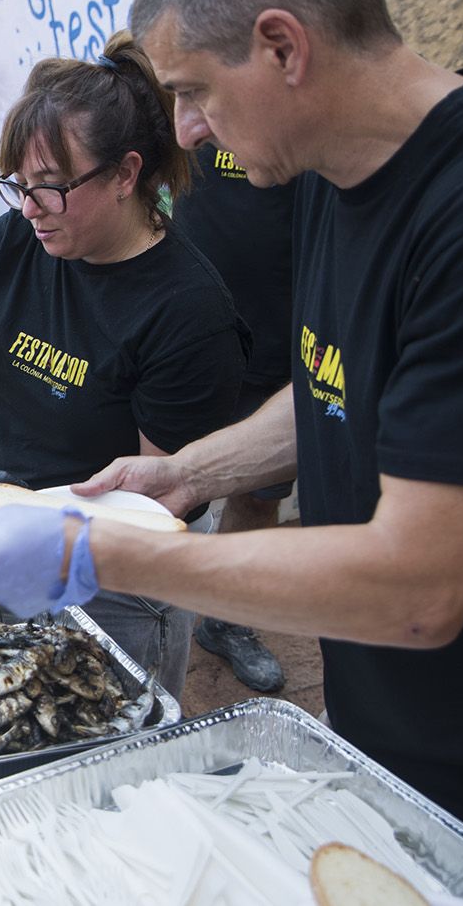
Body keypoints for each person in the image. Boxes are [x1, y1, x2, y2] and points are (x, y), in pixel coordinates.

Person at [0, 0, 463, 881]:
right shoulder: (325, 177)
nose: (185, 130)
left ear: (281, 46)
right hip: (384, 743)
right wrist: (183, 475)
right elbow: (331, 392)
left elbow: (419, 587)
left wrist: (98, 556)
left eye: (191, 91)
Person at [0, 30, 248, 699]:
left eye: (51, 187)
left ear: (126, 174)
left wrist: (41, 529)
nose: (30, 207)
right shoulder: (25, 237)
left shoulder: (186, 310)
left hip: (116, 576)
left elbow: (154, 506)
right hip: (3, 526)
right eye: (18, 185)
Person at [174, 147, 295, 693]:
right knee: (149, 470)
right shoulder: (191, 105)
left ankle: (229, 619)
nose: (190, 121)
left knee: (261, 491)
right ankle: (136, 610)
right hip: (181, 326)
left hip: (276, 326)